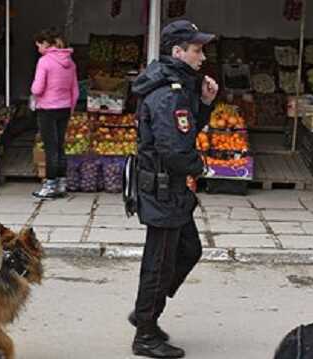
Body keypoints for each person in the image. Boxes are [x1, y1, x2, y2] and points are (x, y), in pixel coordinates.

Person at [129, 20, 218, 358]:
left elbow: (186, 130)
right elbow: (176, 149)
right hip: (164, 189)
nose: (202, 56)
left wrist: (206, 103)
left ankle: (144, 313)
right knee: (160, 263)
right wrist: (201, 167)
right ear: (177, 52)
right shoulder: (169, 93)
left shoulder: (177, 86)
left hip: (171, 190)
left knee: (189, 249)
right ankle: (146, 333)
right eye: (197, 50)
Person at [31, 27, 79, 199]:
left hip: (47, 109)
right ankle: (61, 184)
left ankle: (50, 185)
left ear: (45, 44)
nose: (38, 49)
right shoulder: (70, 62)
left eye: (38, 45)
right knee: (60, 146)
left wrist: (33, 93)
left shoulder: (44, 62)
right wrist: (71, 108)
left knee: (50, 147)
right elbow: (75, 90)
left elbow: (37, 88)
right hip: (64, 108)